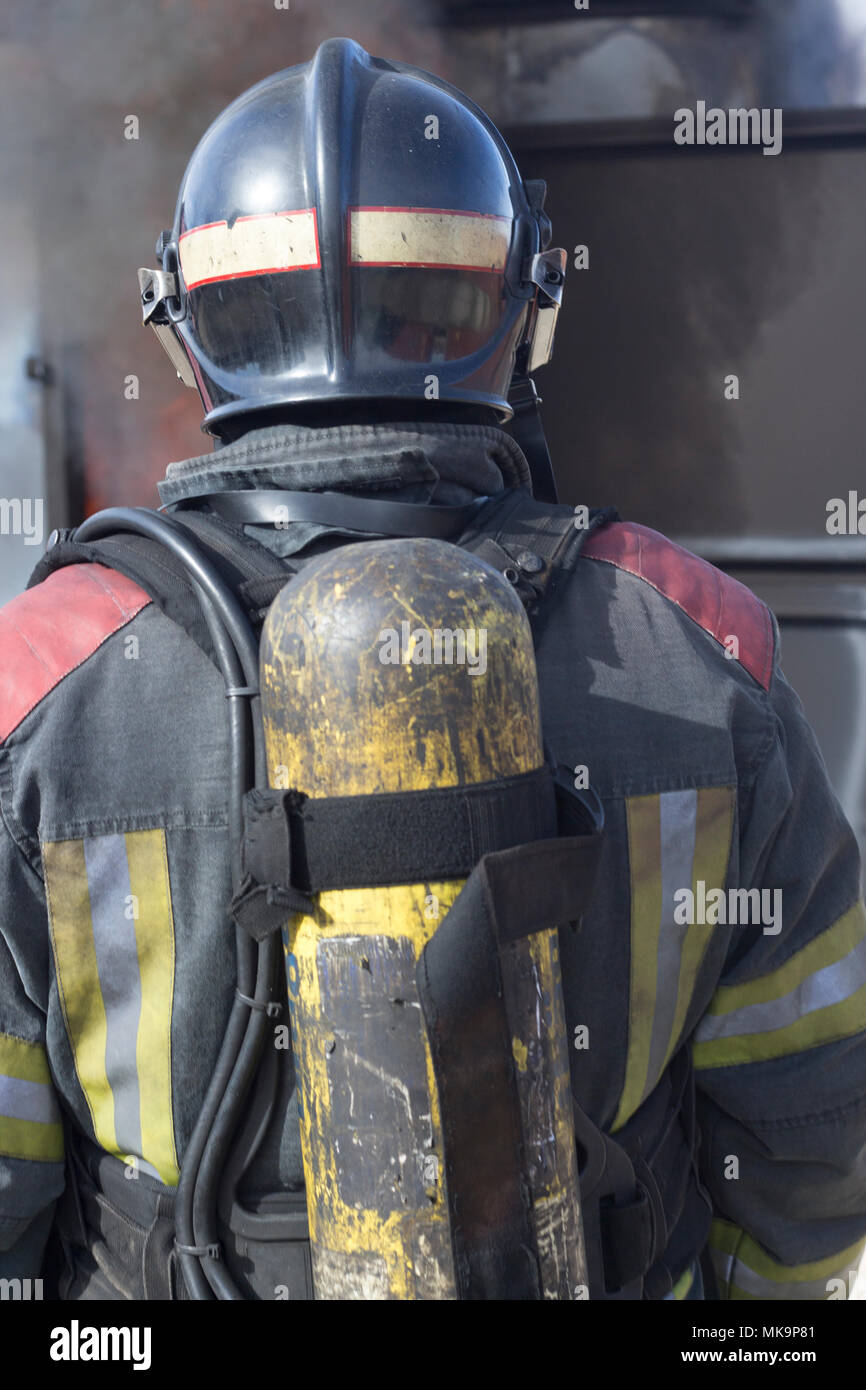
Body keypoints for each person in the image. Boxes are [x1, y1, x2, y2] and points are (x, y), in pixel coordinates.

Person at [1, 36, 865, 1302]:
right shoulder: (695, 651)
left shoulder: (46, 687)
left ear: (193, 338)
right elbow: (811, 1124)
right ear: (518, 317)